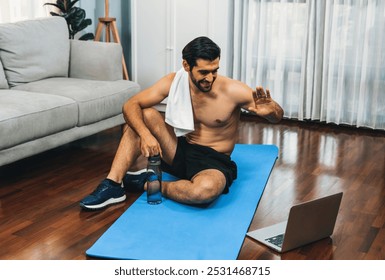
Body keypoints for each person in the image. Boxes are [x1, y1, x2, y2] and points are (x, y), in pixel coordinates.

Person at [79, 36, 284, 210]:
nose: (210, 78)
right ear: (186, 66)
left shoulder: (232, 90)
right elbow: (131, 105)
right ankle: (113, 184)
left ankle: (146, 183)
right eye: (203, 72)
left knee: (204, 192)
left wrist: (271, 111)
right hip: (181, 149)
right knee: (144, 115)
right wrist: (146, 135)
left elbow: (277, 117)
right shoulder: (174, 81)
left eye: (215, 70)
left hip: (213, 161)